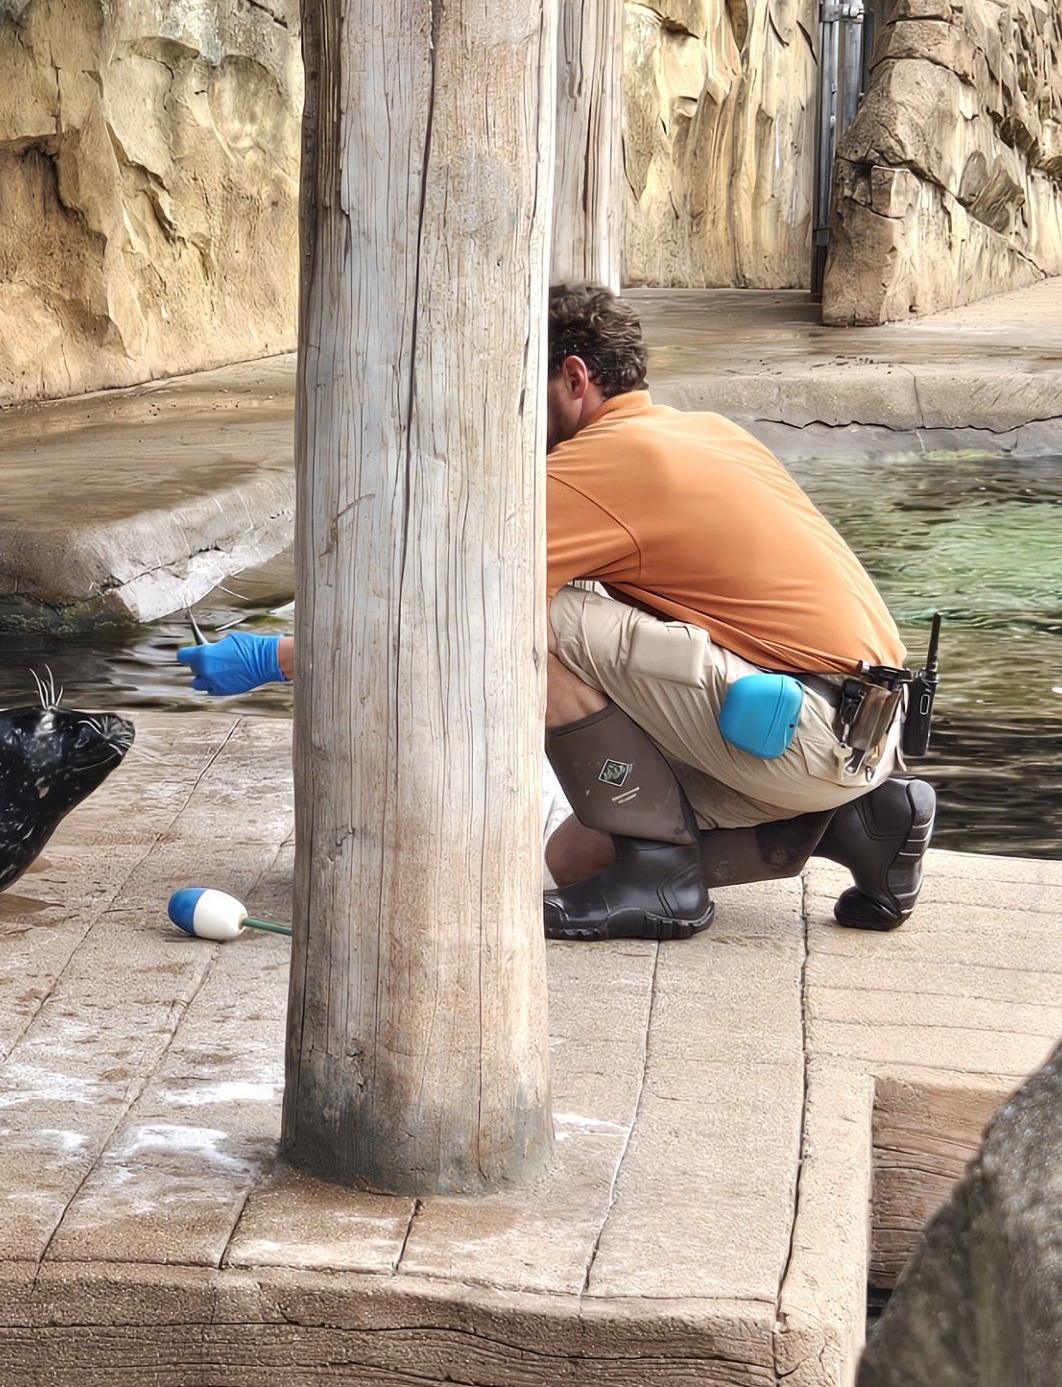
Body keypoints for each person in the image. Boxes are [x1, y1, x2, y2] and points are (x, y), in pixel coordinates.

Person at [177, 286, 935, 941]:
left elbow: (449, 612)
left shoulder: (599, 466)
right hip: (866, 737)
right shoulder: (705, 431)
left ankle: (663, 880)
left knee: (521, 612)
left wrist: (275, 658)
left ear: (573, 377)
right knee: (569, 866)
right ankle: (868, 825)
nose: (510, 417)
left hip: (798, 733)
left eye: (519, 390)